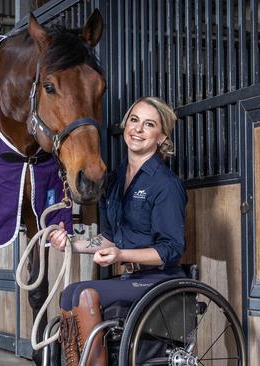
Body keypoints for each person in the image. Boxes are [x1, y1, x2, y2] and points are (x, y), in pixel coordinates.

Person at [48, 96, 188, 366]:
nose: (138, 129)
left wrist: (121, 254)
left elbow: (171, 249)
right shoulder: (114, 180)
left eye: (149, 125)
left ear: (161, 138)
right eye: (134, 120)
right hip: (129, 279)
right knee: (70, 293)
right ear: (125, 125)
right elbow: (108, 239)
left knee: (85, 293)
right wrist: (70, 243)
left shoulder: (165, 184)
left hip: (160, 280)